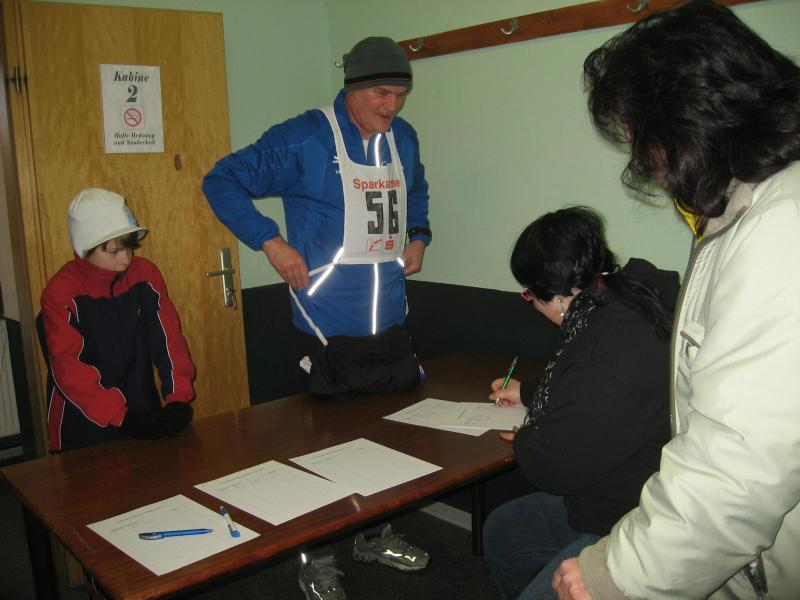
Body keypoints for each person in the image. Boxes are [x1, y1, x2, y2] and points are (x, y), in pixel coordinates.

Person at [552, 1, 800, 598]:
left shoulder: (782, 226)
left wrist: (615, 574)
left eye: (643, 140)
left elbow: (739, 466)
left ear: (689, 119)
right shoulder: (743, 209)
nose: (645, 164)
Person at [202, 36, 431, 599]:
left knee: (385, 443)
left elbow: (417, 189)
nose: (393, 105)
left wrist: (419, 234)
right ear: (353, 88)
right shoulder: (305, 139)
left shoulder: (403, 137)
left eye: (401, 94)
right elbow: (221, 180)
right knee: (321, 451)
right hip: (324, 323)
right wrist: (270, 241)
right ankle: (316, 558)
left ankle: (374, 535)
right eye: (382, 93)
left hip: (388, 320)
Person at [482, 207, 678, 600]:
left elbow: (554, 468)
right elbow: (588, 390)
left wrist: (528, 436)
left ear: (557, 298)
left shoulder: (605, 346)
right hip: (621, 488)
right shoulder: (619, 300)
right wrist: (529, 392)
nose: (531, 303)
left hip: (630, 516)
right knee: (505, 530)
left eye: (529, 294)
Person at [39, 188, 195, 452]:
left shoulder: (145, 275)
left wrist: (179, 397)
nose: (125, 260)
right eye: (113, 251)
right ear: (85, 249)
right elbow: (68, 370)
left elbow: (168, 339)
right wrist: (121, 417)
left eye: (129, 247)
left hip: (141, 411)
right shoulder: (61, 292)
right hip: (81, 423)